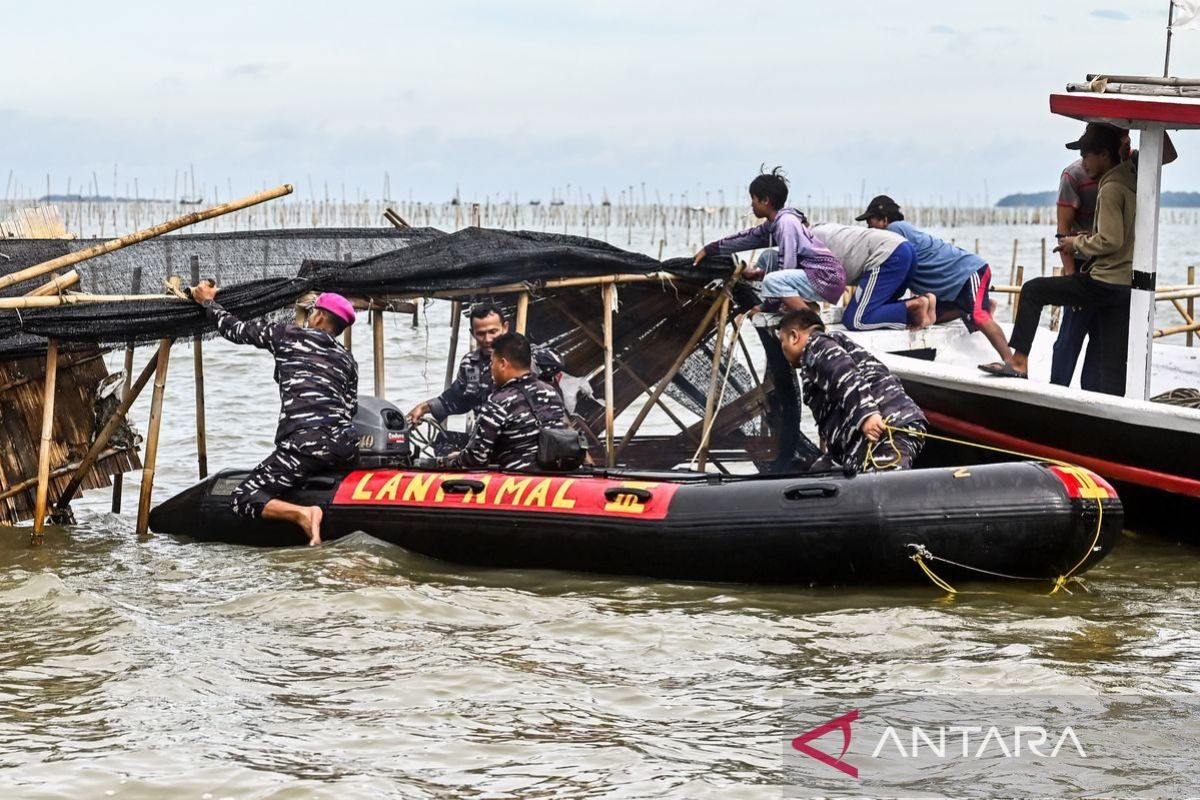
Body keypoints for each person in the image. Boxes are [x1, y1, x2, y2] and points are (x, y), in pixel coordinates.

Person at [190, 285, 359, 546]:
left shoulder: (288, 335)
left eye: (314, 311)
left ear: (321, 317)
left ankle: (304, 513)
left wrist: (208, 303)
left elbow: (235, 330)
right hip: (344, 448)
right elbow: (350, 410)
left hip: (305, 446)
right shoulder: (348, 360)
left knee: (243, 498)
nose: (311, 315)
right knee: (313, 461)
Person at [980, 123, 1136, 396]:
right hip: (1124, 286)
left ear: (1104, 154)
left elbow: (1111, 240)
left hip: (1103, 280)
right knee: (1109, 363)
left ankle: (1018, 362)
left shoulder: (1110, 186)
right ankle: (1110, 412)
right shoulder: (1132, 176)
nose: (1083, 161)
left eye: (1087, 154)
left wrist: (1076, 242)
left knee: (1032, 291)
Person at [1052, 124, 1177, 389]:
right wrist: (1071, 277)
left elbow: (1167, 154)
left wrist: (1150, 121)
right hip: (1083, 263)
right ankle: (1055, 390)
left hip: (1115, 272)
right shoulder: (1074, 174)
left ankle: (1093, 398)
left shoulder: (1131, 166)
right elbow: (1063, 233)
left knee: (1101, 342)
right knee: (1070, 337)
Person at [858, 195, 1012, 363]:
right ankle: (981, 306)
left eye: (870, 221)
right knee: (930, 316)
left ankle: (1011, 362)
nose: (868, 227)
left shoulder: (893, 231)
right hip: (953, 285)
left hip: (968, 271)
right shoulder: (898, 231)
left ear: (884, 219)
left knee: (979, 316)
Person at [777, 308, 927, 471]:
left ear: (794, 336)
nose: (782, 350)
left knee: (883, 486)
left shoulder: (817, 345)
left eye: (782, 342)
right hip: (855, 445)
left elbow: (844, 373)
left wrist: (867, 415)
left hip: (888, 428)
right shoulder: (819, 352)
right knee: (817, 476)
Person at [693, 167, 846, 312]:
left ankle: (811, 321)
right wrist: (710, 249)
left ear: (765, 200)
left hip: (826, 279)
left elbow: (787, 268)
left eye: (753, 199)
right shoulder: (774, 223)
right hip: (813, 276)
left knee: (772, 281)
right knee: (768, 257)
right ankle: (803, 306)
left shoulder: (787, 222)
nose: (751, 204)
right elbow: (748, 237)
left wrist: (766, 307)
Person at [407, 302, 563, 424]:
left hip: (526, 435)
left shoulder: (526, 354)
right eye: (481, 334)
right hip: (488, 435)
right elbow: (457, 399)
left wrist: (521, 356)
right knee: (443, 445)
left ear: (505, 328)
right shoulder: (470, 364)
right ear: (472, 333)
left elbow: (557, 361)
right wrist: (424, 407)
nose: (487, 340)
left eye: (493, 332)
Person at [446, 332, 569, 472]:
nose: (491, 369)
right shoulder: (552, 393)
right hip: (551, 479)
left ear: (503, 364)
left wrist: (453, 460)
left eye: (492, 363)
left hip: (515, 482)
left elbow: (476, 459)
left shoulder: (498, 401)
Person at [808, 221, 936, 330]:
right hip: (905, 249)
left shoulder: (804, 245)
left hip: (887, 256)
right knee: (882, 306)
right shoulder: (819, 229)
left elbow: (805, 301)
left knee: (855, 320)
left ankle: (914, 308)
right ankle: (924, 301)